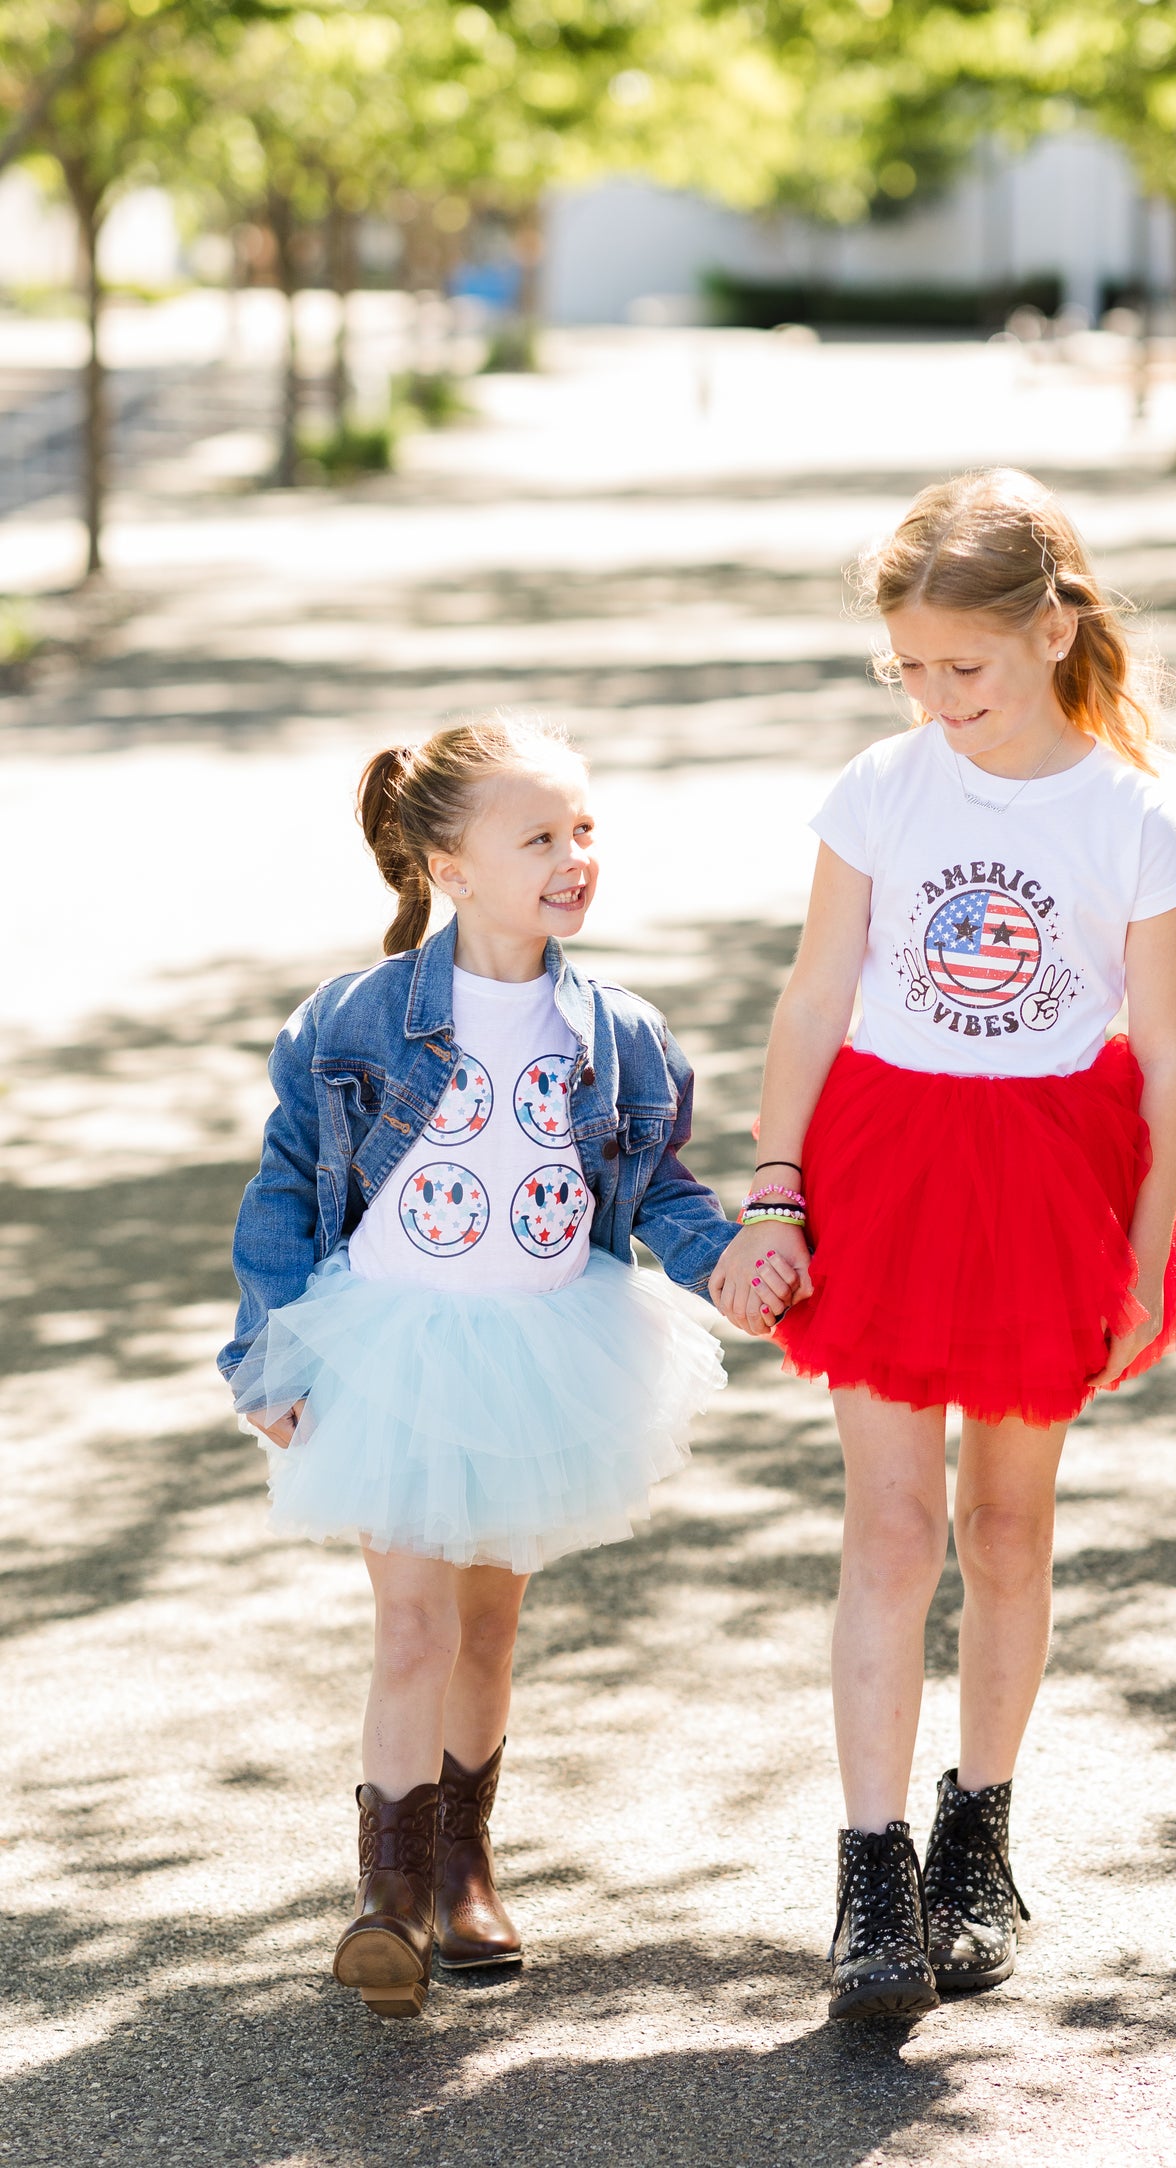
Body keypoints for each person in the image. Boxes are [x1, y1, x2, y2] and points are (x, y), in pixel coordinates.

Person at [710, 468, 1176, 2022]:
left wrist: (1140, 1260)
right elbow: (813, 996)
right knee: (890, 1529)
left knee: (1006, 1533)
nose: (939, 702)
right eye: (911, 672)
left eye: (967, 670)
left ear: (1052, 629)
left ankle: (973, 1840)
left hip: (1050, 1183)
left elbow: (1159, 1062)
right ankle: (868, 1874)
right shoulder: (880, 786)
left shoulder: (1129, 820)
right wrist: (775, 1186)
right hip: (886, 1161)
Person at [219, 714, 736, 2018]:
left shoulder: (614, 1030)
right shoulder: (357, 1021)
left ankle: (463, 1868)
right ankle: (386, 1899)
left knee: (490, 1623)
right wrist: (266, 1354)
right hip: (394, 1349)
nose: (573, 857)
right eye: (539, 837)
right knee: (412, 1625)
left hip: (545, 1348)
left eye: (583, 830)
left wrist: (723, 1257)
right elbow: (283, 1191)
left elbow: (653, 1180)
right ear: (447, 864)